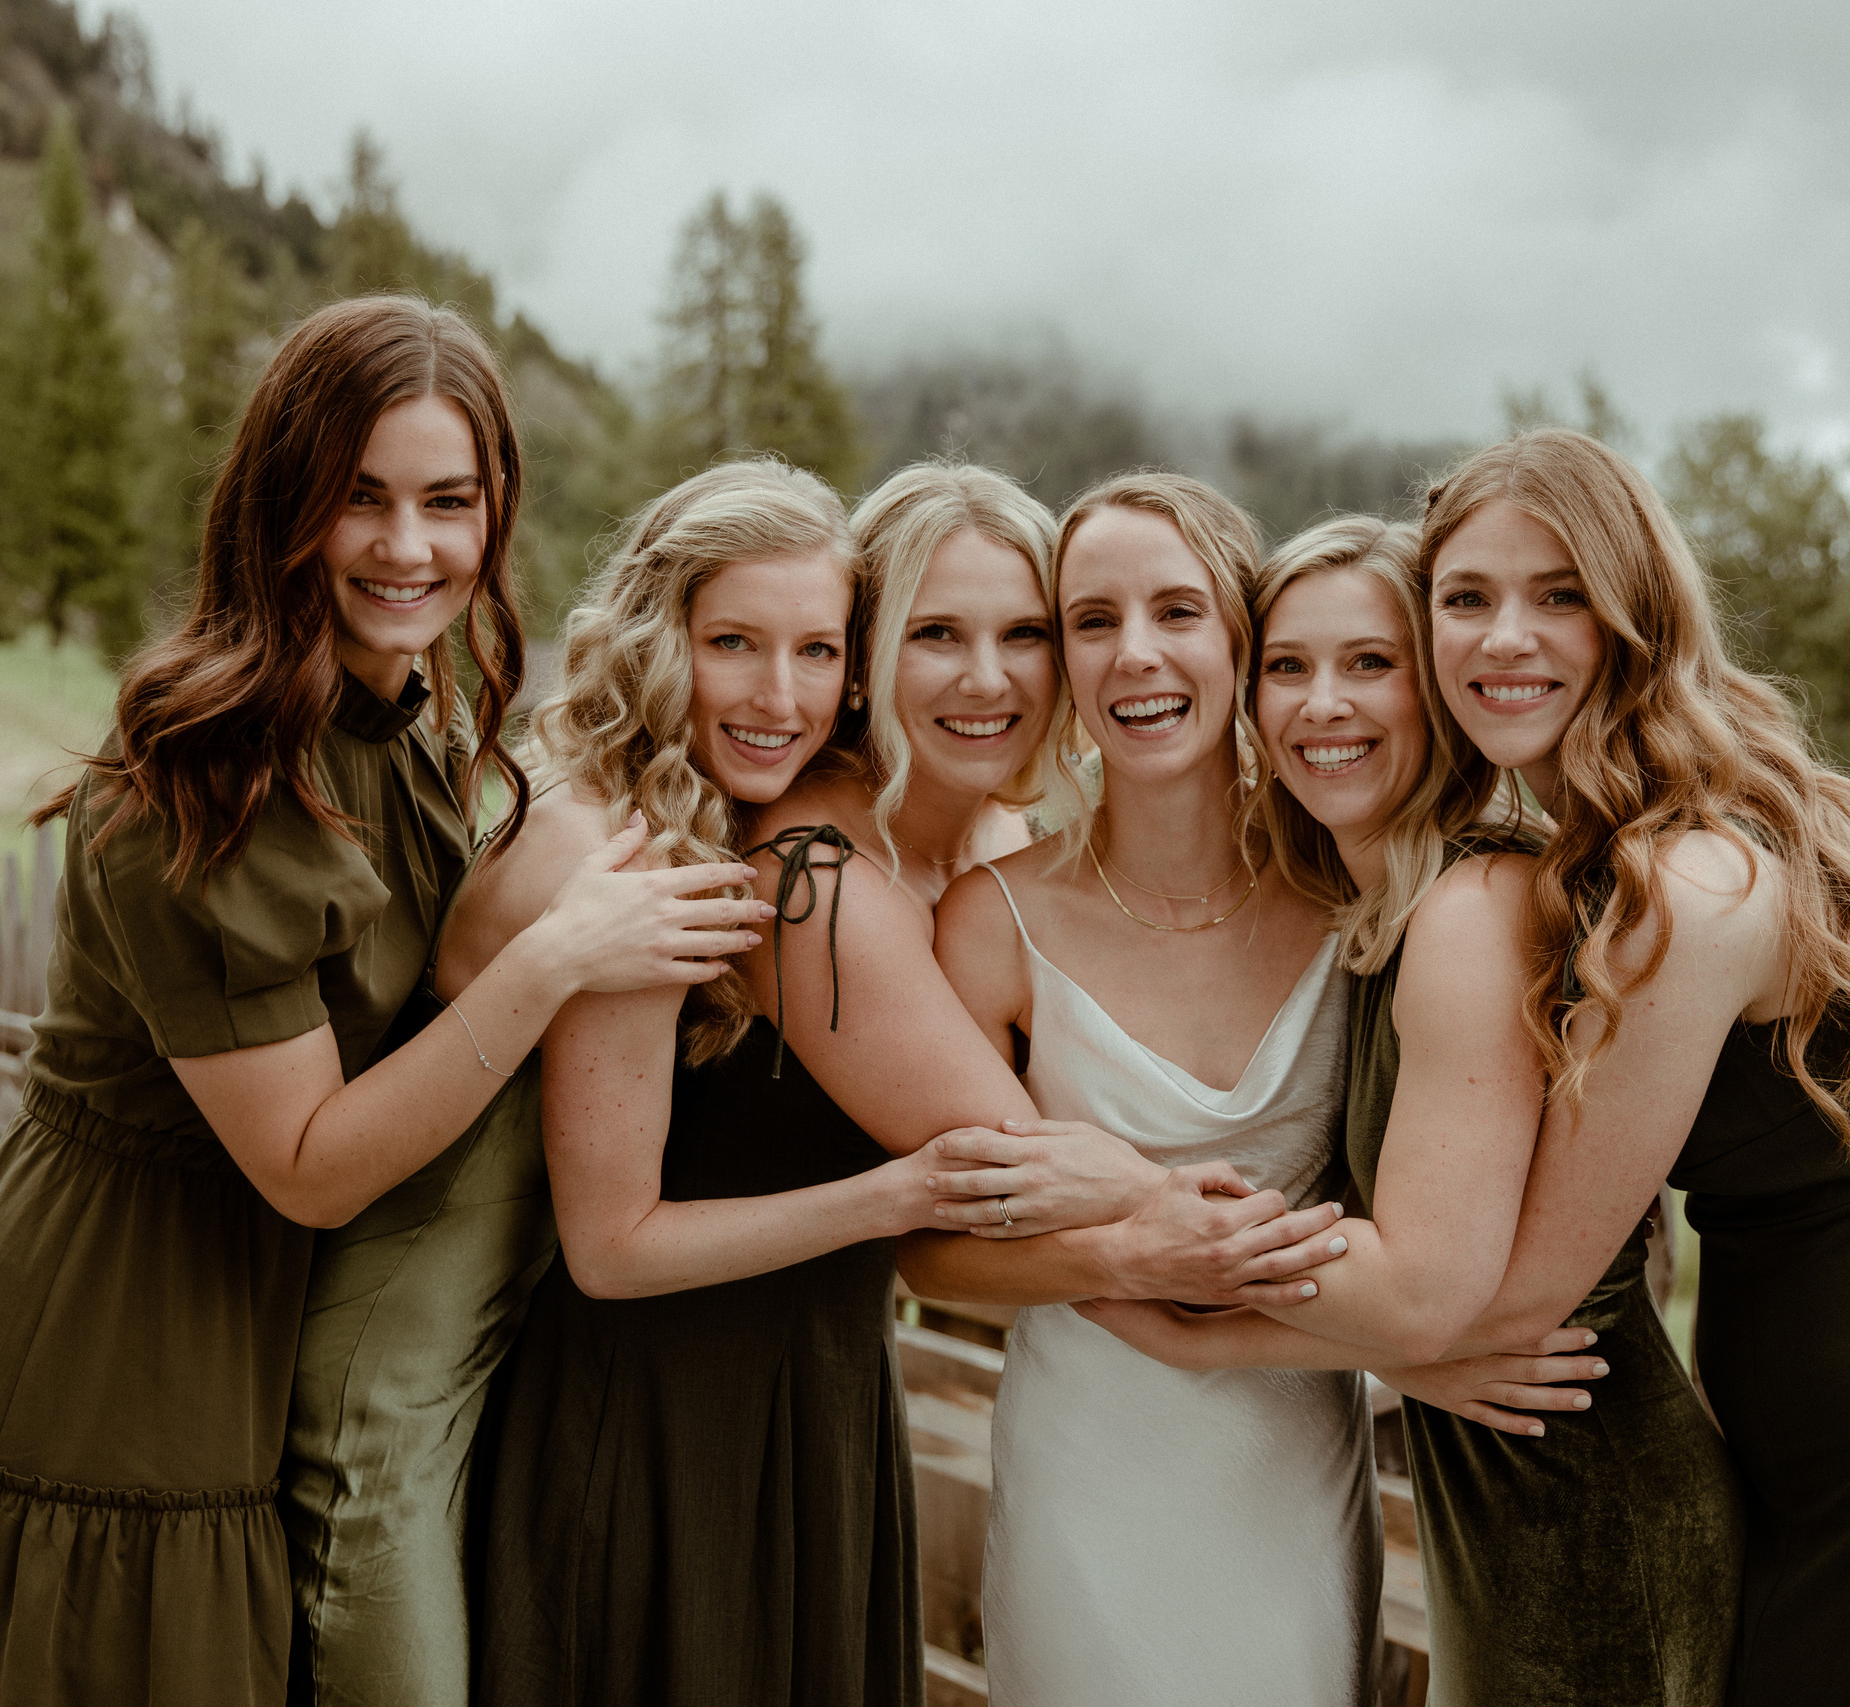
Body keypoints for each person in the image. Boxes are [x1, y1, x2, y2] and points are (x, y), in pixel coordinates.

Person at [0, 296, 764, 1707]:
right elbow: (308, 1164)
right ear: (279, 498)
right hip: (99, 1358)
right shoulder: (207, 777)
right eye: (359, 497)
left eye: (448, 501)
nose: (408, 545)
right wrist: (561, 958)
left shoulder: (399, 724)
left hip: (250, 1357)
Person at [1081, 430, 1850, 1706]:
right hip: (1793, 1431)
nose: (1502, 638)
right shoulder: (1598, 847)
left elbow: (1507, 1296)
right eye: (1466, 599)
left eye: (1558, 594)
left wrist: (1209, 1333)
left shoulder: (1686, 887)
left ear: (1633, 615)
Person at [474, 460, 1345, 1706]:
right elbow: (1029, 1178)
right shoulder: (812, 874)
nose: (987, 679)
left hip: (828, 1392)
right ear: (870, 655)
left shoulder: (991, 847)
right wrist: (1409, 1332)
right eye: (936, 634)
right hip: (680, 1410)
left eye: (1026, 634)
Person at [1097, 514, 1740, 1704]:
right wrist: (1409, 1355)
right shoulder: (1376, 913)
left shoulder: (1474, 905)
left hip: (1583, 1498)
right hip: (1493, 1490)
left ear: (1437, 696)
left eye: (1369, 664)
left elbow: (1423, 1290)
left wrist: (1159, 1275)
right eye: (1287, 667)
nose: (1320, 705)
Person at [902, 473, 1382, 1707]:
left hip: (1293, 1453)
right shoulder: (993, 922)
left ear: (1239, 635)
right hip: (1087, 1459)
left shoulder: (1357, 894)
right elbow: (930, 1255)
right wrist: (1130, 1260)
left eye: (1176, 610)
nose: (1135, 655)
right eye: (1092, 620)